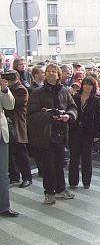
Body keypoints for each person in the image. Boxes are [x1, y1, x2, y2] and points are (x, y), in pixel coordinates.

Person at [27, 63, 77, 205]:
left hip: (61, 132)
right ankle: (49, 192)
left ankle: (61, 189)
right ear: (44, 74)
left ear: (58, 74)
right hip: (45, 133)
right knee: (48, 164)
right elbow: (31, 114)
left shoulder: (64, 91)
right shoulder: (38, 92)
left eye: (54, 71)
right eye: (48, 71)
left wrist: (69, 116)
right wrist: (48, 115)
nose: (51, 73)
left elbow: (73, 107)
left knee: (59, 162)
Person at [68, 76, 100, 189]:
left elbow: (97, 118)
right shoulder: (75, 97)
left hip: (88, 132)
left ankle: (86, 182)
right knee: (74, 157)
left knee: (86, 158)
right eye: (85, 84)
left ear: (93, 87)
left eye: (90, 85)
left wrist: (97, 134)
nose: (87, 86)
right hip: (75, 131)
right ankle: (73, 181)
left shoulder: (95, 100)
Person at [5, 70, 32, 188]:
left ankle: (27, 177)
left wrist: (5, 89)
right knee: (10, 152)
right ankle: (14, 176)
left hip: (17, 123)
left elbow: (12, 104)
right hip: (8, 124)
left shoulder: (21, 89)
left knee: (21, 152)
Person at [0, 76, 18, 217]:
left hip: (1, 134)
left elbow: (10, 105)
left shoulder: (2, 86)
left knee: (3, 174)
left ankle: (4, 206)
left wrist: (5, 88)